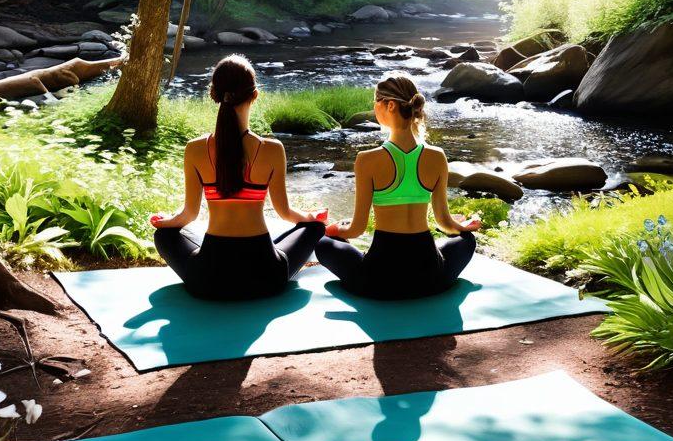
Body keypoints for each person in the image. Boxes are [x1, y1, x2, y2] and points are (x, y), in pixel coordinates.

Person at [150, 55, 326, 301]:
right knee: (314, 228)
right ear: (254, 95)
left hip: (208, 279)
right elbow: (285, 212)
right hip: (266, 278)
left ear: (215, 94)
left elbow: (188, 215)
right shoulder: (273, 149)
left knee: (164, 235)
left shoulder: (195, 149)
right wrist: (311, 218)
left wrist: (165, 222)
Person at [315, 72, 480, 300]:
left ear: (390, 105)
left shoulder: (367, 159)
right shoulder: (437, 156)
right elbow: (445, 222)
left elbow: (356, 229)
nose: (374, 106)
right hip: (429, 276)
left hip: (379, 279)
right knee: (467, 241)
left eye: (376, 100)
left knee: (323, 244)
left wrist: (332, 231)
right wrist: (464, 227)